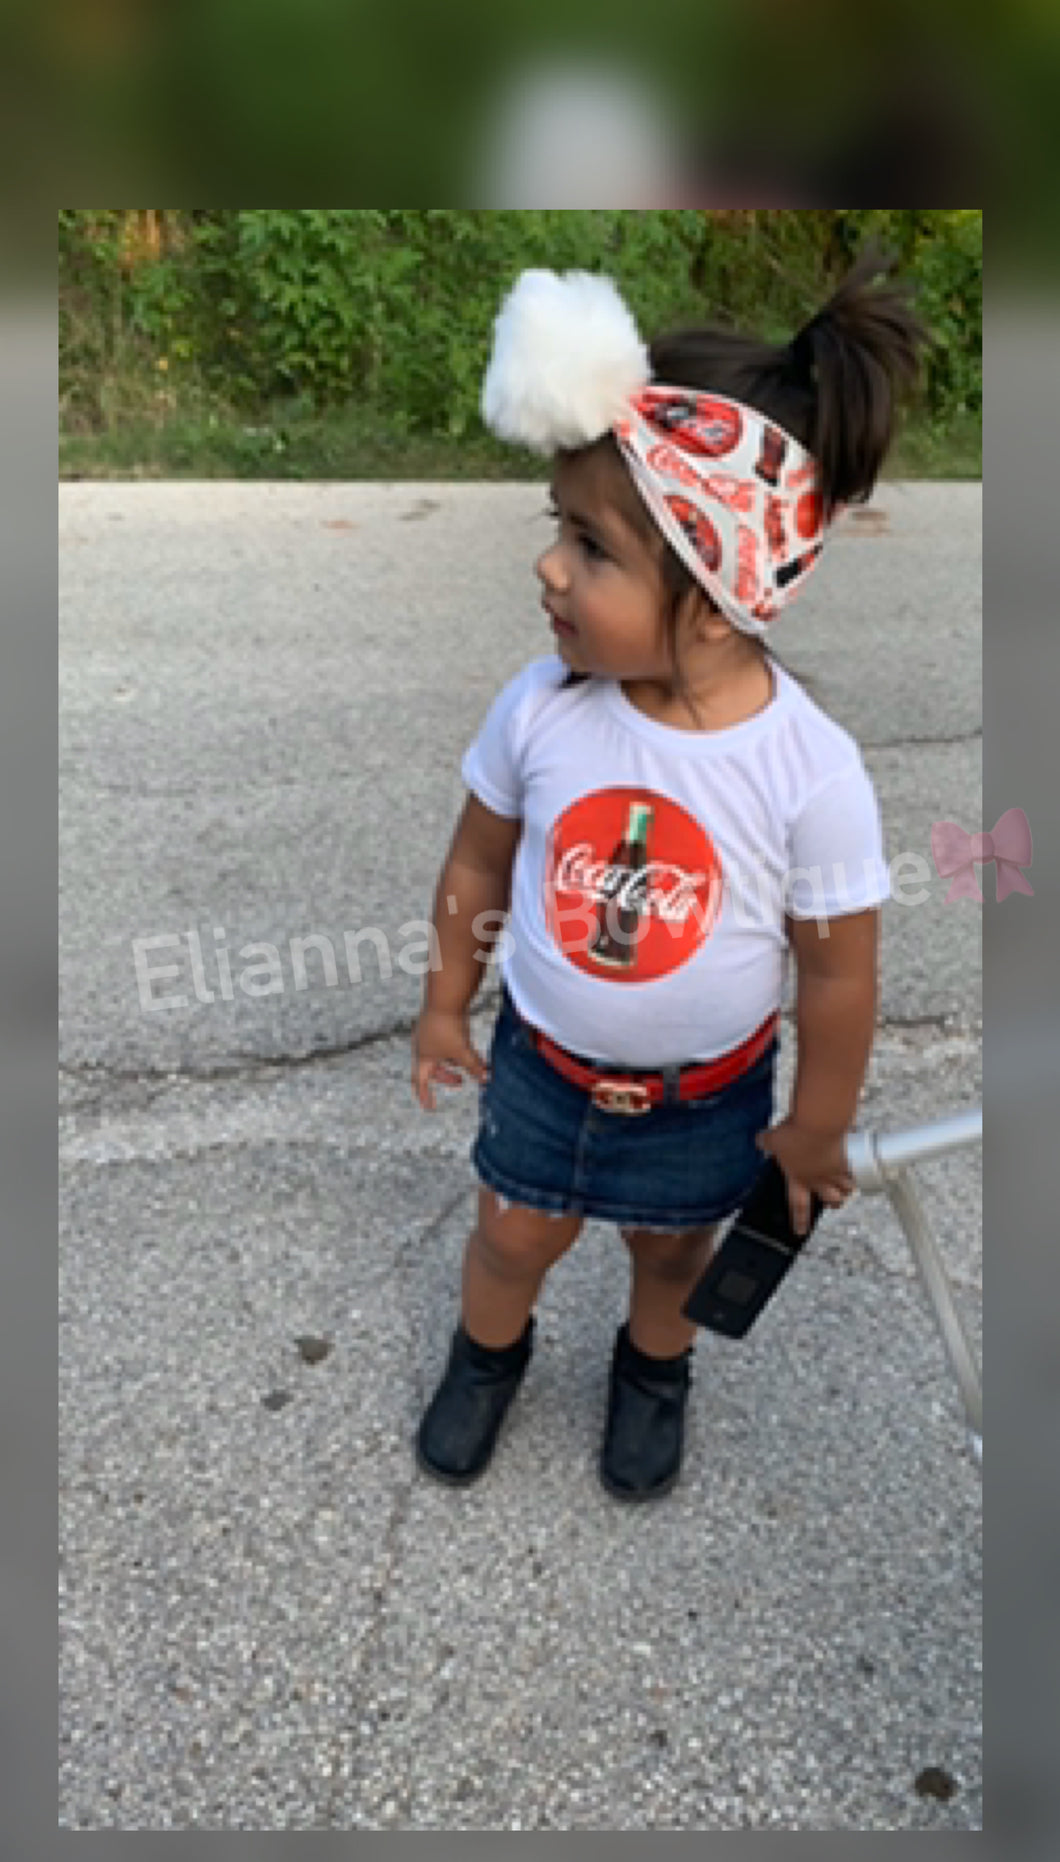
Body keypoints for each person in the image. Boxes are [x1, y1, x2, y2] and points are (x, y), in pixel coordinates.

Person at [410, 248, 926, 1501]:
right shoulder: (543, 708)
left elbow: (837, 970)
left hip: (706, 1098)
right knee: (510, 1232)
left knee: (671, 1258)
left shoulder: (807, 769)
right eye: (557, 528)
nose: (549, 568)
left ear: (712, 595)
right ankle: (490, 1351)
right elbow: (478, 855)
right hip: (544, 1068)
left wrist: (811, 1122)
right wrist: (444, 997)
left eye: (591, 546)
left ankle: (654, 1370)